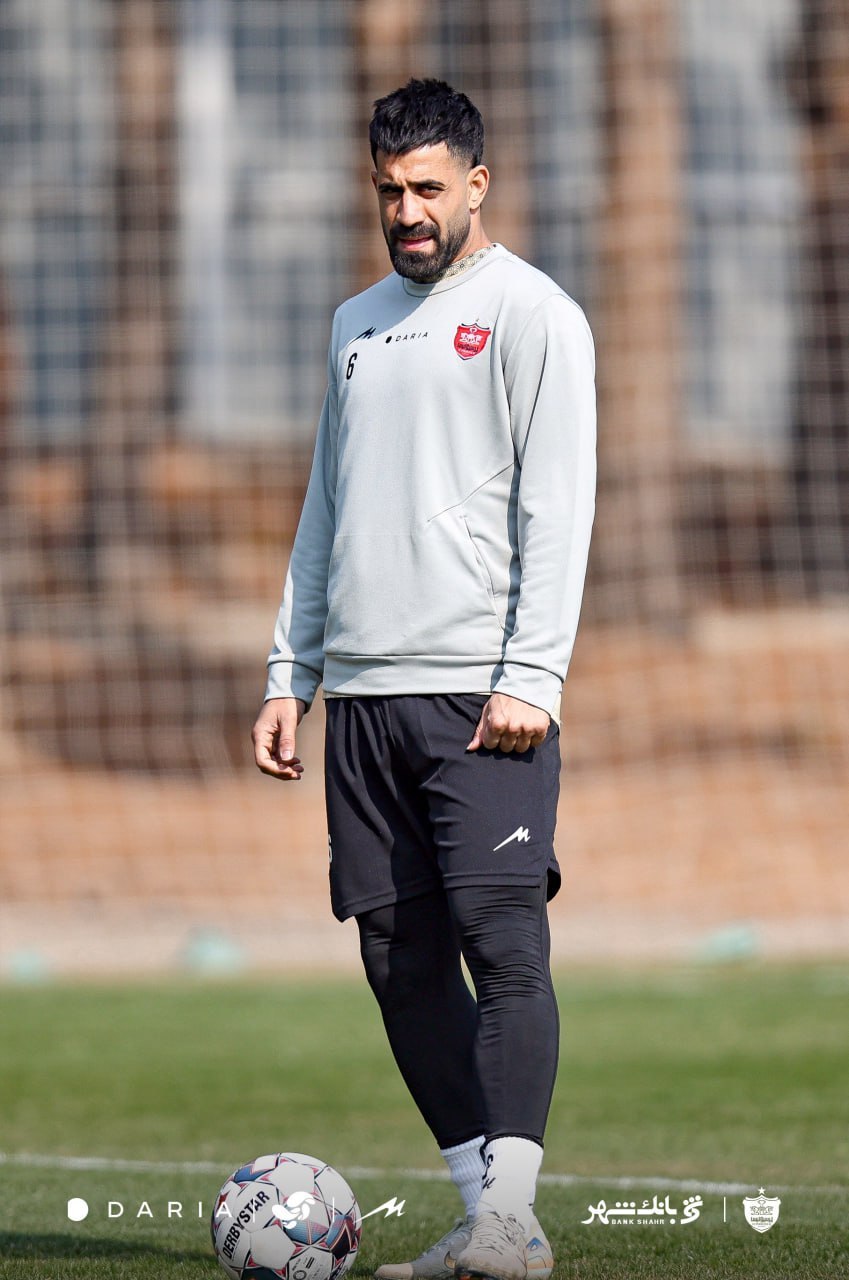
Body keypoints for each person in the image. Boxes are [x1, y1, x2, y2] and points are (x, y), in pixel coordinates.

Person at [253, 79, 596, 1280]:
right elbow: (325, 506)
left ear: (478, 185)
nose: (407, 210)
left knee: (503, 942)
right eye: (389, 189)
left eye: (428, 188)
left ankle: (513, 1213)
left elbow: (559, 506)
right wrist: (289, 669)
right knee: (395, 955)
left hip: (481, 696)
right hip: (362, 697)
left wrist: (532, 673)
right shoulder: (355, 324)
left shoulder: (533, 315)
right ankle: (484, 1216)